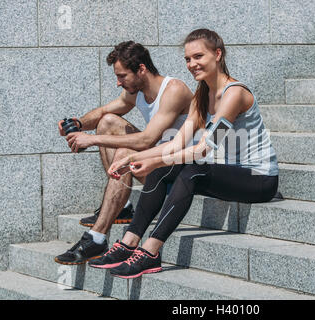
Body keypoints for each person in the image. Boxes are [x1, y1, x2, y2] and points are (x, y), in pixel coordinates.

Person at [88, 29, 279, 279]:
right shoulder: (201, 94)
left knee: (193, 170)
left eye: (198, 56)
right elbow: (175, 144)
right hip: (228, 173)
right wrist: (135, 158)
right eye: (187, 59)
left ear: (218, 54)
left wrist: (151, 159)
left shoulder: (234, 94)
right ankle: (129, 243)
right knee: (162, 170)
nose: (192, 64)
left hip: (259, 179)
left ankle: (151, 252)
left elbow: (203, 149)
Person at [54, 41, 193, 265]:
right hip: (157, 164)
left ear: (141, 69)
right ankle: (122, 205)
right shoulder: (135, 90)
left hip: (181, 170)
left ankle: (97, 237)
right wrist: (78, 123)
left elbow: (148, 139)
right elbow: (103, 112)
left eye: (122, 76)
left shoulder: (174, 90)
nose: (118, 82)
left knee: (123, 153)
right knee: (107, 121)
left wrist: (92, 140)